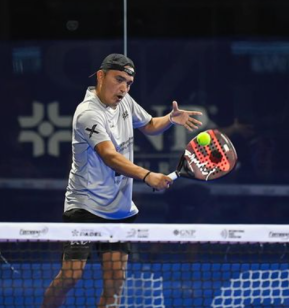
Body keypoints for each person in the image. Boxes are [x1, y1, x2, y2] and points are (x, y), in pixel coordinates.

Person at [41, 53, 203, 308]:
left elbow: (149, 124)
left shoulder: (125, 101)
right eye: (119, 80)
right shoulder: (87, 113)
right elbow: (109, 156)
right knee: (71, 276)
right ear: (101, 76)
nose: (124, 88)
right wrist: (147, 175)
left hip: (118, 211)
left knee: (115, 284)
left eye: (128, 83)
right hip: (85, 206)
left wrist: (171, 119)